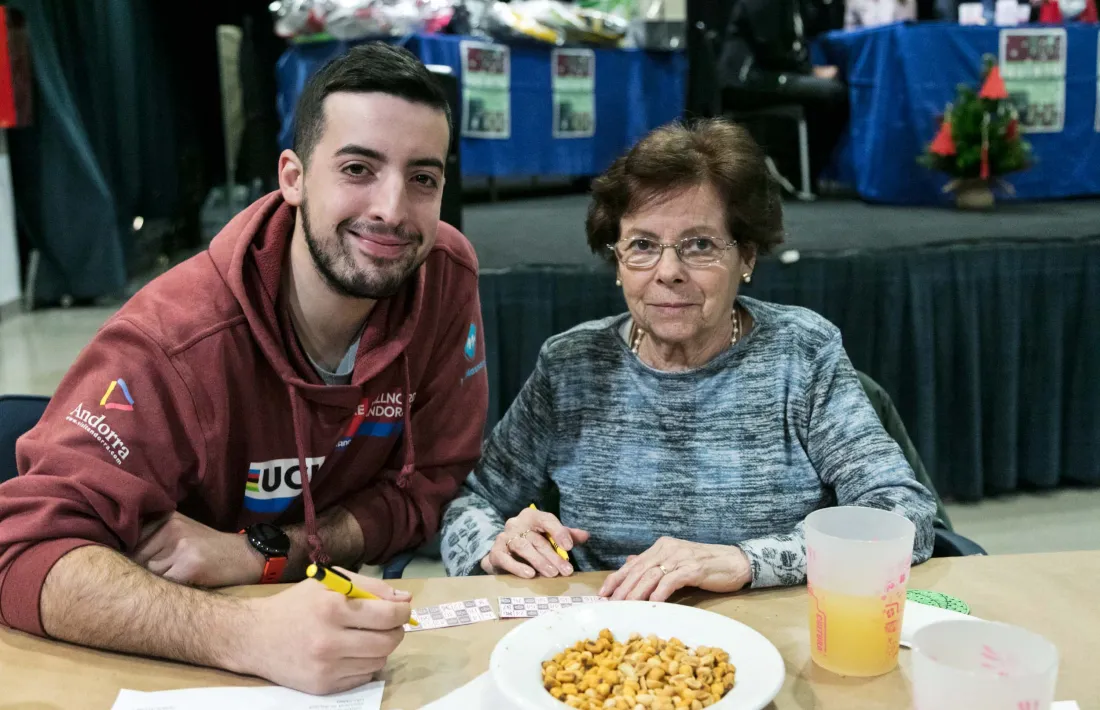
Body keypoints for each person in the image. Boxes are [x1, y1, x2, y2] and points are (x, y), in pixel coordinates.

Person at [0, 43, 487, 694]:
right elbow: (23, 550)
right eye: (358, 168)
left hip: (352, 643)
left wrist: (265, 552)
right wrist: (243, 635)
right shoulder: (173, 338)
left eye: (423, 178)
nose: (393, 211)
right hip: (175, 658)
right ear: (292, 177)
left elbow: (434, 483)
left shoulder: (443, 275)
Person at [439, 119, 935, 602]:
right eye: (642, 246)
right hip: (602, 651)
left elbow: (903, 516)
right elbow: (468, 505)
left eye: (699, 245)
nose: (668, 272)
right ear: (617, 261)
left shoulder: (801, 353)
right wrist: (496, 546)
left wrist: (746, 562)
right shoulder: (571, 366)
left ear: (747, 257)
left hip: (769, 642)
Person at [717, 0, 848, 188]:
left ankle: (796, 168)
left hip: (771, 75)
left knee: (832, 91)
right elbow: (770, 48)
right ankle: (791, 168)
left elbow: (816, 27)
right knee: (832, 93)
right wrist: (809, 72)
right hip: (746, 80)